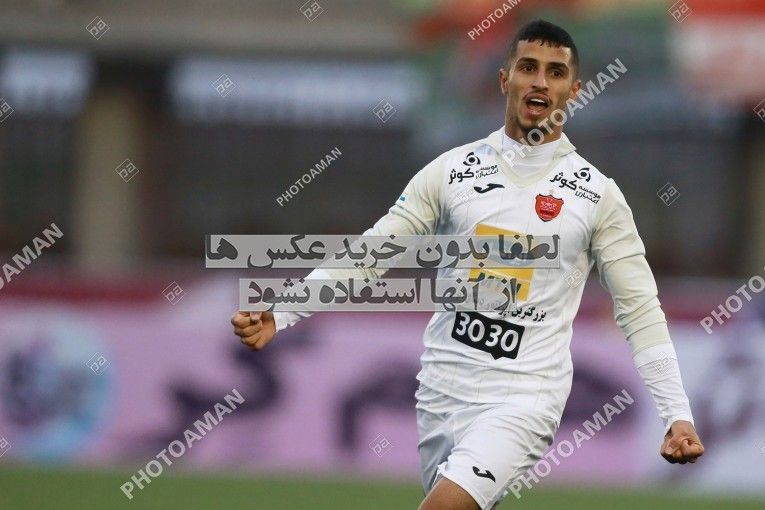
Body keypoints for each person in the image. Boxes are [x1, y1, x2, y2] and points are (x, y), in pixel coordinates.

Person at [231, 19, 705, 510]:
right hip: (442, 390)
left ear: (574, 91)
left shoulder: (597, 195)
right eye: (528, 67)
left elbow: (639, 309)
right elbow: (375, 252)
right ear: (504, 79)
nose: (541, 82)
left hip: (525, 398)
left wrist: (677, 414)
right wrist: (283, 311)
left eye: (556, 72)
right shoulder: (451, 171)